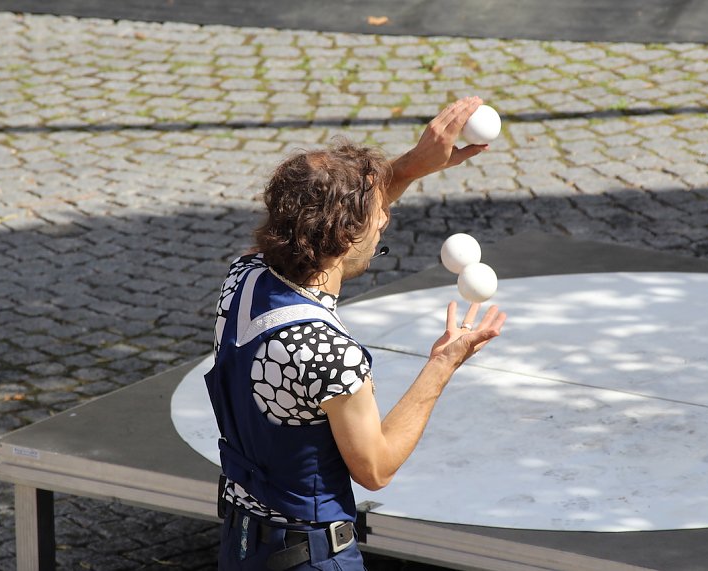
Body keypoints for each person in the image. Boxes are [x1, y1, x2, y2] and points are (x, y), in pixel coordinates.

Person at [204, 97, 508, 571]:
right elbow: (376, 468)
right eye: (376, 216)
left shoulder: (242, 279)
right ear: (344, 237)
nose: (384, 217)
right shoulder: (329, 353)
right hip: (311, 558)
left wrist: (409, 166)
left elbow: (325, 213)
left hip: (243, 547)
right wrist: (443, 363)